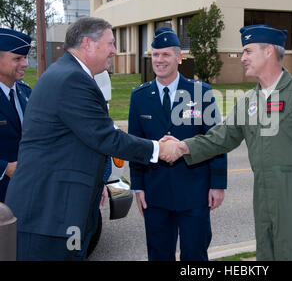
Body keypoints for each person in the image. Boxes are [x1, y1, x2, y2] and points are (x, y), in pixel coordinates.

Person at [5, 17, 175, 261]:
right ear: (87, 43)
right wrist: (159, 149)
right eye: (110, 43)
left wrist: (97, 183)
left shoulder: (70, 74)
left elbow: (82, 141)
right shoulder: (71, 79)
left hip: (62, 211)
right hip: (48, 215)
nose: (114, 51)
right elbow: (105, 137)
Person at [163, 24, 292, 261]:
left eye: (248, 51)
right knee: (267, 255)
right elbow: (221, 137)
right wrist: (183, 146)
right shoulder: (249, 100)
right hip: (263, 196)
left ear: (268, 52)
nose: (242, 57)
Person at [128, 27, 227, 261]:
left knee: (195, 255)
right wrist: (138, 187)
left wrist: (218, 184)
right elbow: (135, 146)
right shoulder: (140, 96)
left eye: (165, 55)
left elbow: (216, 141)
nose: (159, 60)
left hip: (194, 192)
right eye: (155, 55)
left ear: (178, 58)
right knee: (159, 254)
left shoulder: (201, 92)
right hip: (155, 192)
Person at [0, 28, 32, 203]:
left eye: (25, 57)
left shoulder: (25, 92)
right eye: (17, 58)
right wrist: (5, 168)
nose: (25, 64)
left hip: (26, 190)